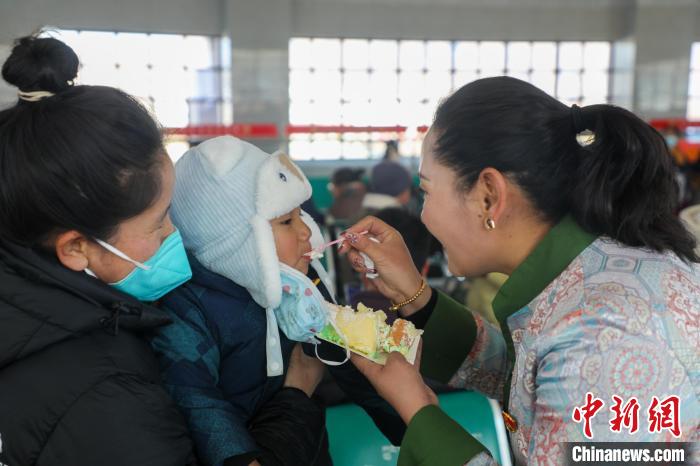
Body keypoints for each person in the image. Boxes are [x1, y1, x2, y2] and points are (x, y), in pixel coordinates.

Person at [339, 77, 700, 465]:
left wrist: (419, 409)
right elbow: (537, 379)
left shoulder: (606, 333)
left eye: (427, 191)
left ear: (488, 196)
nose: (423, 217)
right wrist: (415, 296)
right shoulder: (592, 276)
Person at [0, 35, 197, 465]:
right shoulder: (108, 393)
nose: (174, 235)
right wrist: (294, 399)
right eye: (158, 222)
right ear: (75, 247)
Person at [150, 136, 405, 466]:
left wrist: (411, 424)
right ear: (236, 241)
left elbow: (355, 366)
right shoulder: (187, 313)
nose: (306, 232)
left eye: (301, 216)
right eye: (286, 221)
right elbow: (202, 411)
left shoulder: (301, 287)